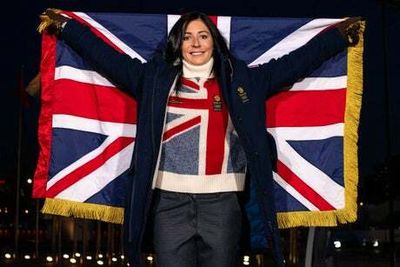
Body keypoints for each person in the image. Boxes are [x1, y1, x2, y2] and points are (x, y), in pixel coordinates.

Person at [39, 9, 361, 267]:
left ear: (214, 42)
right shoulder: (153, 79)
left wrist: (335, 37)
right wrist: (68, 29)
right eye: (187, 37)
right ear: (177, 43)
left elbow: (295, 64)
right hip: (168, 203)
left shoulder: (242, 79)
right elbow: (106, 58)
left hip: (223, 205)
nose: (195, 43)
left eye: (203, 36)